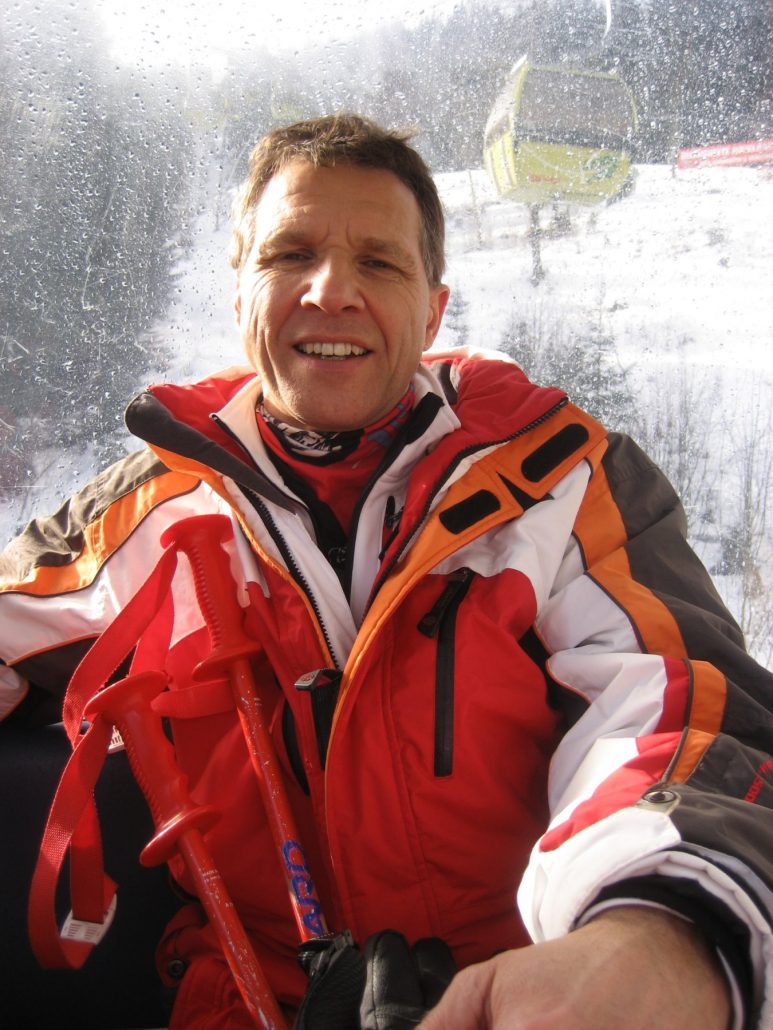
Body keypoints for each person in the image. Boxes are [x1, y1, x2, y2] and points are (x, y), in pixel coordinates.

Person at [1, 113, 771, 1029]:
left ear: (433, 310)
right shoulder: (145, 511)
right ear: (239, 288)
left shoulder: (561, 483)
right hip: (247, 998)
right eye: (290, 254)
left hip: (517, 990)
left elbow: (678, 708)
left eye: (378, 262)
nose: (332, 290)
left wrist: (654, 931)